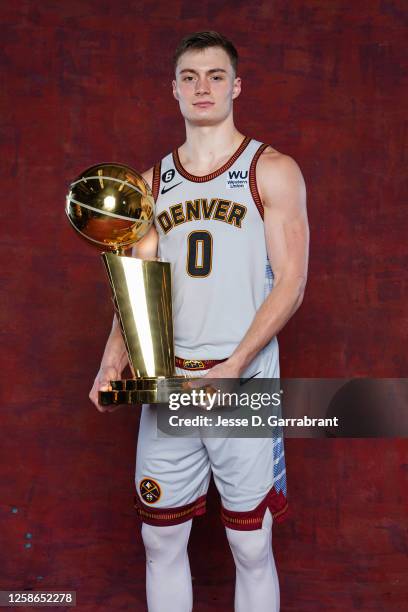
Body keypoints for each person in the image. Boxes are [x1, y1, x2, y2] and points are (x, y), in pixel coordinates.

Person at [89, 30, 309, 612]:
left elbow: (292, 283)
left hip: (242, 384)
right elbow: (138, 286)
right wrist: (113, 362)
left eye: (215, 76)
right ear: (174, 90)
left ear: (236, 86)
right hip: (172, 385)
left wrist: (236, 365)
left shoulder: (273, 169)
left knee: (251, 544)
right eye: (189, 77)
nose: (202, 87)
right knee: (159, 537)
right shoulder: (149, 184)